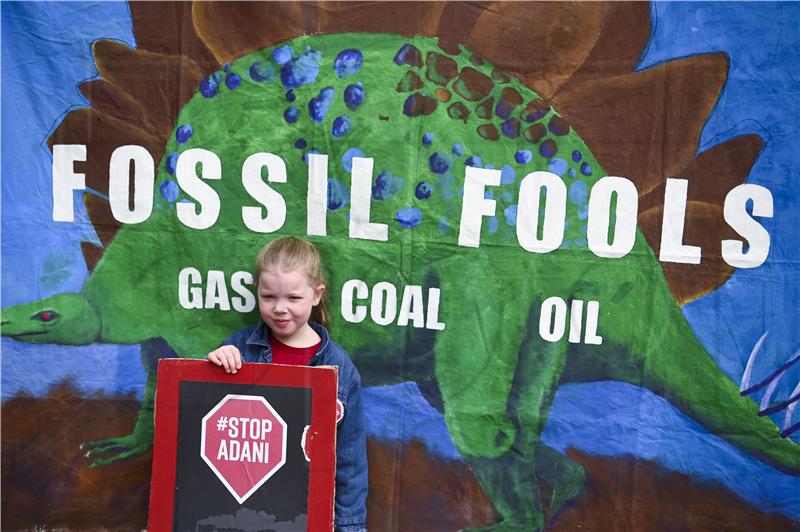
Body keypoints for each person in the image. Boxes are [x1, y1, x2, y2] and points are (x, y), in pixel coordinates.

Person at [208, 237, 368, 532]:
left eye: (293, 298)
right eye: (269, 297)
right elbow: (209, 430)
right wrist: (215, 366)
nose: (280, 308)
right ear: (257, 291)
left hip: (303, 512)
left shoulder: (340, 367)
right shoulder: (240, 349)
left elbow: (350, 461)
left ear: (317, 294)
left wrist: (349, 526)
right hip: (240, 510)